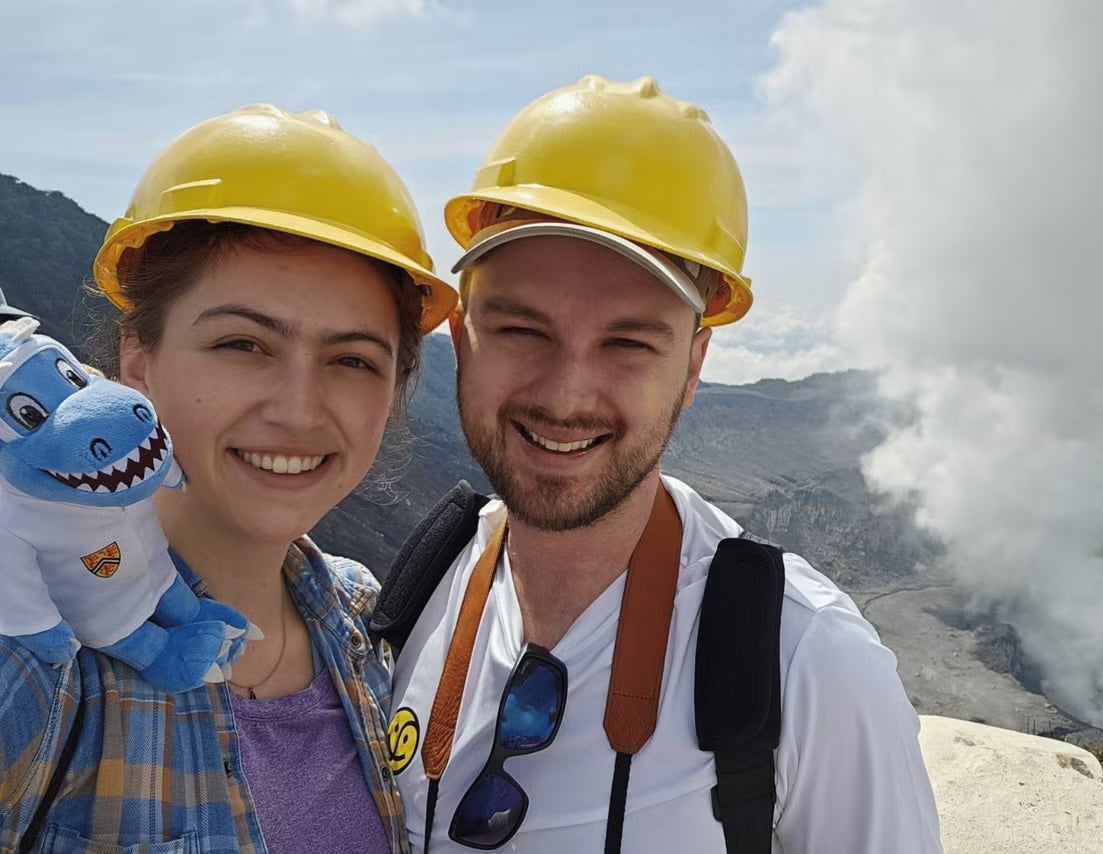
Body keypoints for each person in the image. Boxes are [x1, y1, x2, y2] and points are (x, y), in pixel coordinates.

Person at [388, 76, 943, 853]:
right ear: (463, 334)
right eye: (521, 328)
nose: (564, 393)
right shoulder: (418, 593)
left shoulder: (808, 663)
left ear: (693, 364)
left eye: (627, 342)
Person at [0, 104, 457, 853]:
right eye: (242, 343)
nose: (298, 409)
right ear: (137, 361)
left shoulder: (368, 626)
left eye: (351, 360)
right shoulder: (41, 652)